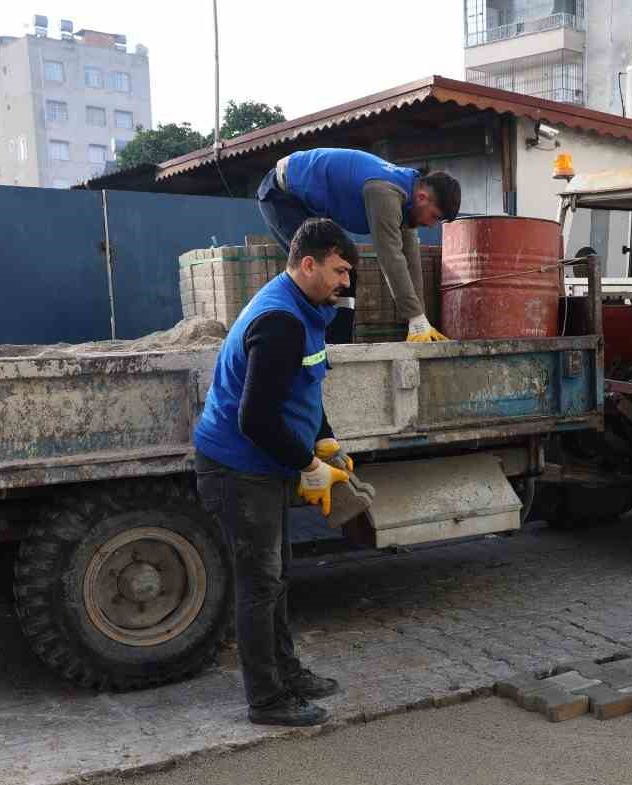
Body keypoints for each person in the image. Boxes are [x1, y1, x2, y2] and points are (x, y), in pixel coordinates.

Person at [193, 218, 367, 728]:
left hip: (263, 464)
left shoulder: (305, 308)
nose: (345, 283)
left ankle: (287, 674)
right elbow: (256, 419)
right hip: (237, 468)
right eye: (339, 271)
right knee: (259, 584)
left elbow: (304, 385)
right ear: (307, 264)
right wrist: (308, 465)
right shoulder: (279, 321)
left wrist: (326, 439)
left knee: (278, 576)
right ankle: (266, 700)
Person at [255, 147, 461, 345]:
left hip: (308, 205)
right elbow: (391, 258)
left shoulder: (408, 197)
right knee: (318, 273)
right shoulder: (385, 194)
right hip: (282, 196)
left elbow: (410, 261)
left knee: (345, 274)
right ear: (422, 197)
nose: (431, 224)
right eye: (434, 216)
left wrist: (419, 320)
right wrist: (414, 315)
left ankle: (338, 347)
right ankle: (295, 341)